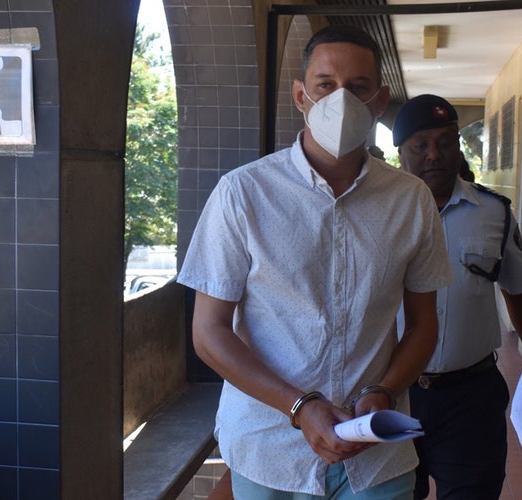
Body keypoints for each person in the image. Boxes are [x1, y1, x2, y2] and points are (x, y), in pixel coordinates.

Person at [177, 25, 452, 499]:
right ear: (301, 96)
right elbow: (209, 332)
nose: (341, 100)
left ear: (379, 100)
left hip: (375, 455)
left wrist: (383, 393)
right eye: (326, 85)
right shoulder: (243, 194)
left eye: (358, 87)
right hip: (269, 449)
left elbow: (424, 324)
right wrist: (300, 407)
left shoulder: (411, 200)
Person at [392, 94, 522, 499]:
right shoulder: (379, 212)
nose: (434, 155)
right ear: (401, 151)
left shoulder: (493, 213)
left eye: (446, 142)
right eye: (421, 145)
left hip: (470, 395)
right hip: (392, 394)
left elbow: (519, 290)